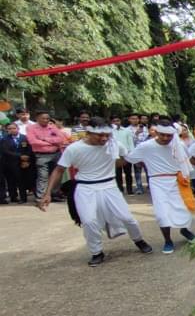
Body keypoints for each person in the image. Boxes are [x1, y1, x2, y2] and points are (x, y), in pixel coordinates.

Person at [38, 117, 153, 265]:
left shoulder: (114, 144)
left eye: (107, 135)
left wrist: (120, 160)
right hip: (85, 188)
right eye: (100, 135)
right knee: (89, 221)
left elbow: (124, 160)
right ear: (88, 133)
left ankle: (139, 240)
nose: (104, 138)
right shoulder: (74, 149)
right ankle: (96, 252)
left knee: (127, 218)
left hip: (109, 186)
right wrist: (47, 193)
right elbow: (59, 170)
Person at [125, 121, 195, 253]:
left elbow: (187, 161)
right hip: (157, 182)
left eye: (169, 135)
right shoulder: (146, 146)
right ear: (156, 133)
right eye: (162, 135)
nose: (165, 138)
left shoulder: (179, 145)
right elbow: (131, 158)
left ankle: (185, 230)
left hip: (177, 181)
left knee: (185, 210)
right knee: (162, 214)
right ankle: (168, 241)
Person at [27, 111, 68, 202]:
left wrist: (46, 139)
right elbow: (33, 141)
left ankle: (54, 194)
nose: (46, 120)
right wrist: (52, 143)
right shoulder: (31, 128)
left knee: (57, 175)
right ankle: (40, 197)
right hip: (41, 155)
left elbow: (61, 139)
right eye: (43, 118)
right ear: (37, 119)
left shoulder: (52, 127)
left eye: (47, 118)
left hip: (56, 154)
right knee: (43, 176)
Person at [1, 123, 33, 203]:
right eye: (9, 129)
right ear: (7, 130)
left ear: (18, 128)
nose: (12, 130)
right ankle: (13, 197)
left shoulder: (25, 138)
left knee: (21, 181)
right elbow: (5, 151)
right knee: (11, 181)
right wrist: (19, 156)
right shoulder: (4, 139)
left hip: (22, 163)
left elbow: (29, 149)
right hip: (9, 164)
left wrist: (27, 159)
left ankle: (23, 198)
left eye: (14, 128)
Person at [110, 115, 135, 195]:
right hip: (115, 155)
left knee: (128, 173)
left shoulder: (126, 131)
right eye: (114, 121)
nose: (116, 122)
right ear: (111, 122)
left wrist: (132, 154)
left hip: (126, 155)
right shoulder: (110, 132)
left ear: (120, 121)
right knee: (118, 174)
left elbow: (130, 143)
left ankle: (129, 189)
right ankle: (120, 190)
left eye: (118, 120)